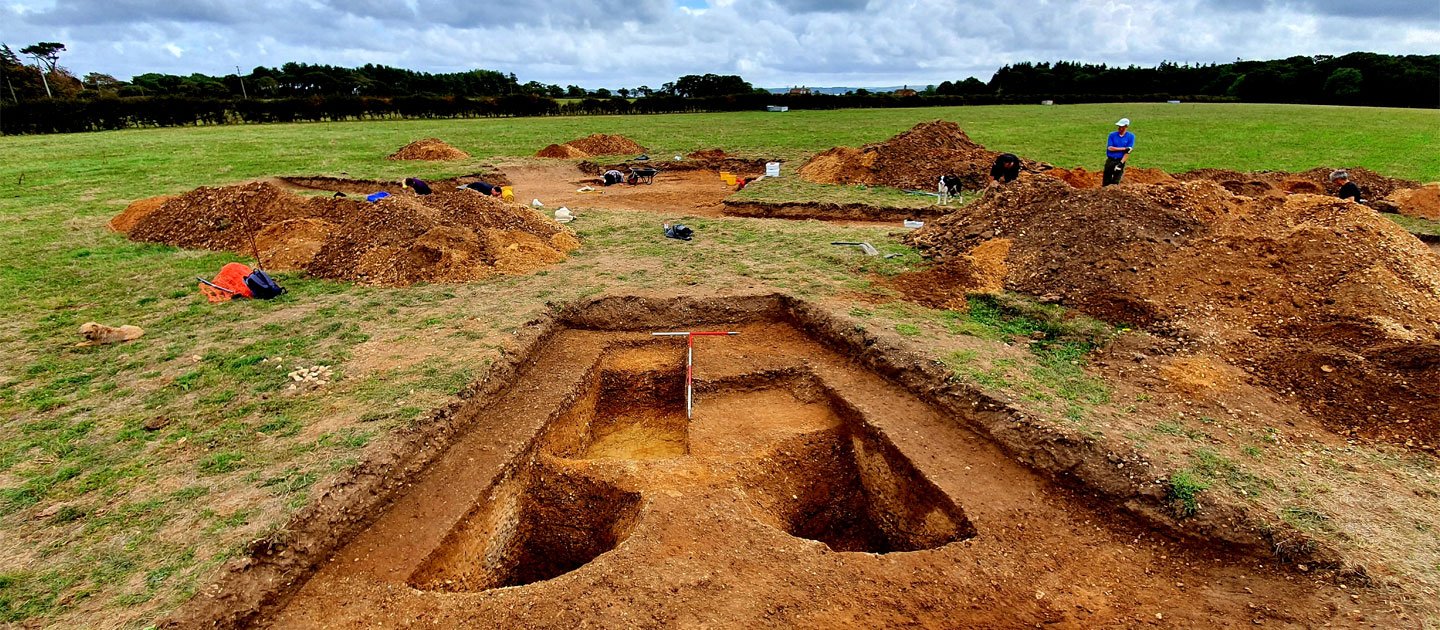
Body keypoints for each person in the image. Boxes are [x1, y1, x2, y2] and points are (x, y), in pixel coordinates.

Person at [1103, 118, 1135, 187]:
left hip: (1120, 160)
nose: (1120, 128)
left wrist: (1121, 163)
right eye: (1119, 127)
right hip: (1110, 160)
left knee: (1116, 180)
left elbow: (1128, 152)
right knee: (1106, 179)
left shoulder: (1131, 137)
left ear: (1126, 127)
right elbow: (1110, 148)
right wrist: (1124, 148)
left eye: (1122, 127)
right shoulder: (1112, 135)